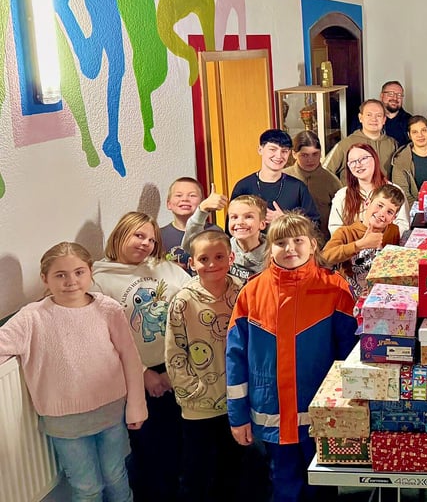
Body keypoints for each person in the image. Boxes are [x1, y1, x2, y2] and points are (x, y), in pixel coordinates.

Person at [226, 213, 358, 502]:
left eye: (298, 240)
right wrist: (237, 417)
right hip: (272, 416)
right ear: (269, 247)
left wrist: (353, 411)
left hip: (322, 417)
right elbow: (235, 360)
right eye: (280, 242)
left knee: (321, 488)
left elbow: (350, 357)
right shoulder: (252, 292)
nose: (290, 248)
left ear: (313, 244)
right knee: (283, 487)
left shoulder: (335, 288)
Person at [0, 242, 146, 502]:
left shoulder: (108, 309)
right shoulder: (31, 318)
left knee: (116, 475)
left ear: (91, 272)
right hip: (65, 424)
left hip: (110, 412)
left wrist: (136, 406)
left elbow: (130, 359)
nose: (71, 281)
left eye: (79, 272)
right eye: (60, 275)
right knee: (86, 486)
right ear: (45, 278)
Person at [91, 212, 191, 502]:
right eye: (139, 236)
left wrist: (178, 367)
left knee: (181, 443)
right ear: (120, 234)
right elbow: (101, 336)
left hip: (177, 366)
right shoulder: (99, 277)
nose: (146, 243)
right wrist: (144, 372)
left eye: (151, 239)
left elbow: (193, 301)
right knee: (149, 447)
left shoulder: (165, 268)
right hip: (134, 373)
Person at [164, 230, 245, 501]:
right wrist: (192, 389)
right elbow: (175, 350)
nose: (212, 264)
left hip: (238, 398)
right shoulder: (183, 301)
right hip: (199, 403)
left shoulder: (243, 293)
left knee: (234, 468)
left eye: (219, 257)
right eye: (204, 258)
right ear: (192, 262)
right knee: (197, 469)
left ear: (231, 257)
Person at [323, 184, 404, 298]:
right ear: (367, 203)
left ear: (393, 218)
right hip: (349, 296)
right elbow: (324, 258)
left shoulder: (393, 231)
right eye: (379, 205)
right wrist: (359, 245)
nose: (382, 214)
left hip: (380, 293)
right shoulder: (345, 233)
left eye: (389, 212)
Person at [231, 129, 319, 223]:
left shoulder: (298, 188)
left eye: (284, 151)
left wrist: (285, 221)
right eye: (273, 149)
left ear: (289, 153)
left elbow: (314, 226)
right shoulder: (243, 187)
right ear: (260, 150)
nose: (279, 156)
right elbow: (231, 228)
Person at [327, 143, 410, 235]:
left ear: (375, 158)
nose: (358, 165)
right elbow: (335, 229)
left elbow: (403, 226)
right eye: (352, 162)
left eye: (363, 159)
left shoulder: (394, 191)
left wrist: (380, 239)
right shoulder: (342, 195)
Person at [186, 194, 268, 282]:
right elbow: (191, 246)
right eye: (234, 217)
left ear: (262, 224)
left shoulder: (273, 252)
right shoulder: (222, 246)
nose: (240, 222)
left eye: (248, 217)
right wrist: (202, 210)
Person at [283, 131, 343, 238]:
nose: (310, 160)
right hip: (288, 239)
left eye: (315, 154)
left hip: (323, 243)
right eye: (304, 155)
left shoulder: (331, 181)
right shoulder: (283, 178)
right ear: (294, 154)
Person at [323, 99, 399, 182]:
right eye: (369, 115)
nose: (374, 119)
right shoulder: (345, 144)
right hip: (354, 194)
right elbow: (324, 172)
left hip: (383, 193)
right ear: (360, 118)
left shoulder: (392, 144)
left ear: (384, 120)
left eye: (379, 115)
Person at [161, 177, 219, 268]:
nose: (185, 199)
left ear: (203, 202)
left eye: (192, 195)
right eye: (178, 195)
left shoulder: (215, 232)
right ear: (168, 204)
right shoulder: (159, 235)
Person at [379, 80, 413, 147]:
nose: (395, 98)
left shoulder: (411, 121)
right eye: (391, 94)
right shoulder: (370, 120)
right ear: (381, 95)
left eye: (399, 95)